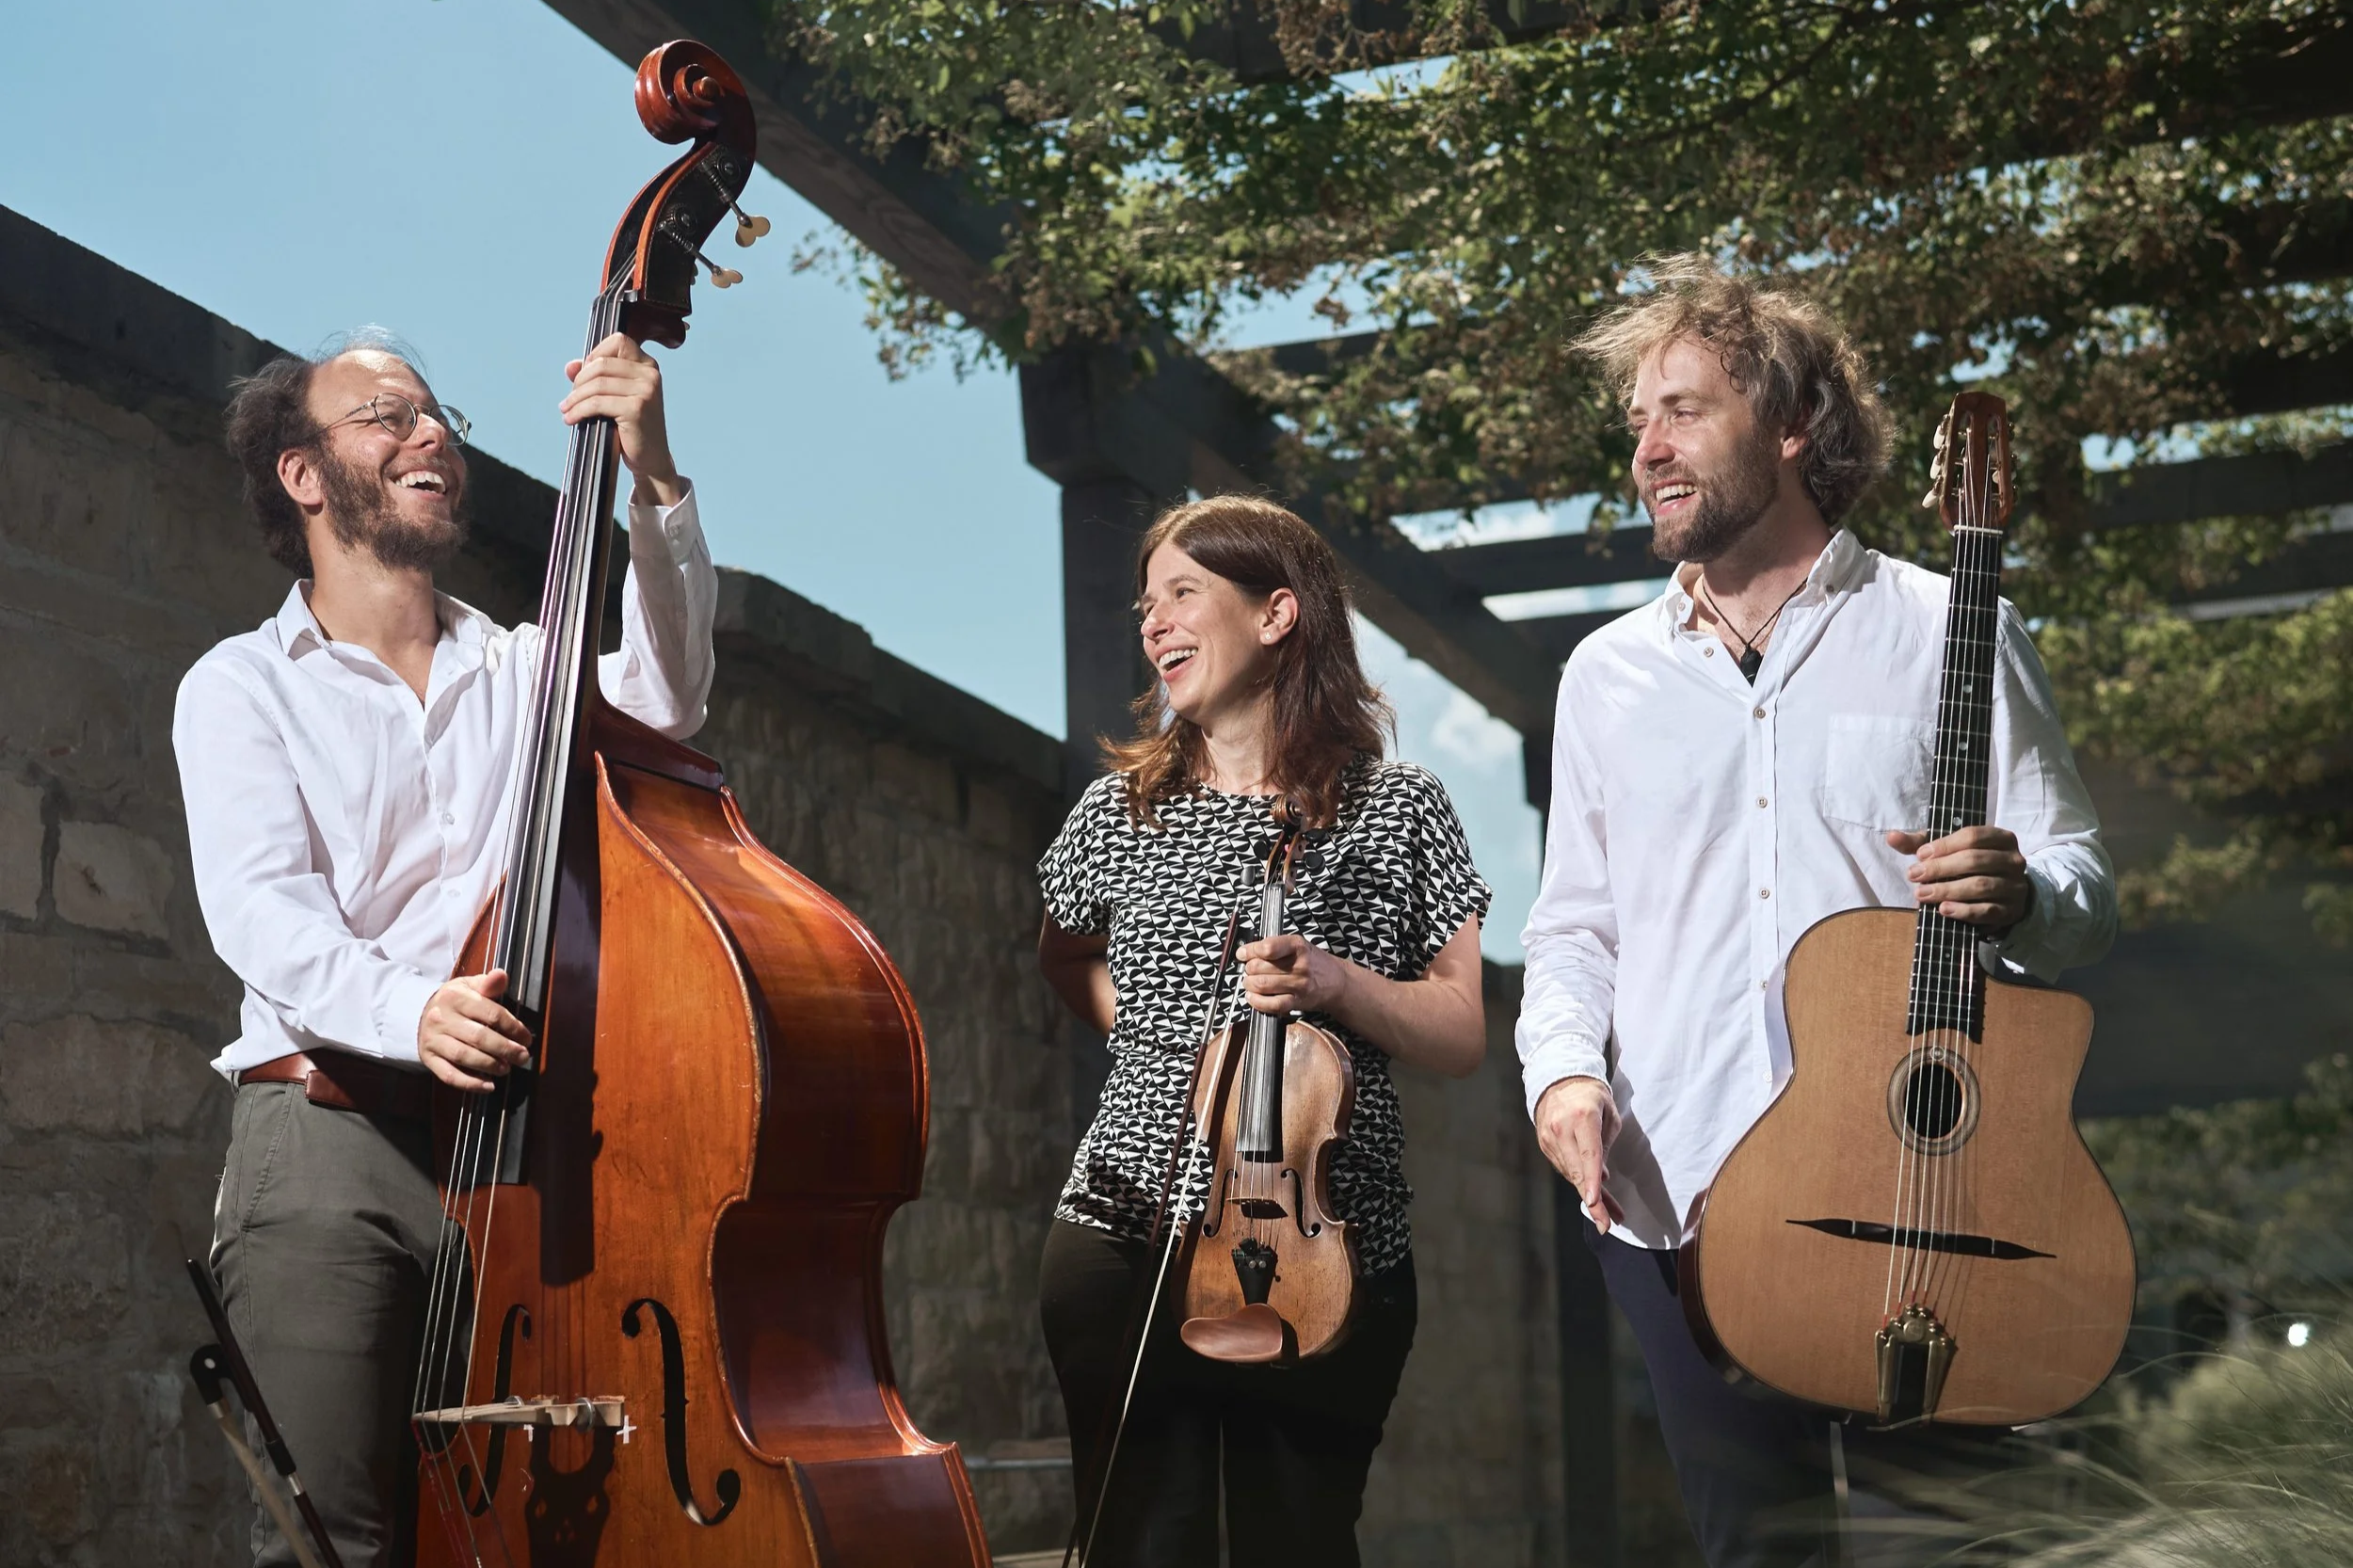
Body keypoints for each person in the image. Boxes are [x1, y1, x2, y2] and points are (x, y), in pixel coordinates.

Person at [1518, 256, 2117, 1567]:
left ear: (1789, 424)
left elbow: (2083, 878)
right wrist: (1563, 1077)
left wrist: (2022, 888)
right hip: (1680, 1191)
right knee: (1758, 1555)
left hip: (1932, 1197)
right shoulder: (1603, 676)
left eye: (1681, 409)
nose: (1648, 449)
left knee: (1955, 1552)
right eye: (1637, 423)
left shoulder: (1954, 626)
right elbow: (1574, 928)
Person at [176, 328, 715, 1567]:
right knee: (339, 1543)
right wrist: (408, 1005)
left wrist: (658, 482)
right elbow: (260, 911)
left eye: (435, 413)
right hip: (328, 1140)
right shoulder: (241, 684)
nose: (429, 433)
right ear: (303, 475)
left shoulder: (529, 665)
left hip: (524, 1150)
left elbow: (672, 700)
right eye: (383, 415)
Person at [1033, 495, 1492, 1567]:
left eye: (1183, 593)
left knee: (1299, 1544)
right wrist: (1158, 1051)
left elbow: (1461, 1024)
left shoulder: (1397, 807)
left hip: (1323, 1248)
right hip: (1122, 1228)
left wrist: (1336, 982)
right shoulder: (1118, 812)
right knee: (1142, 1545)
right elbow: (1064, 953)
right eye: (1146, 604)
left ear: (1278, 611)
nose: (1153, 623)